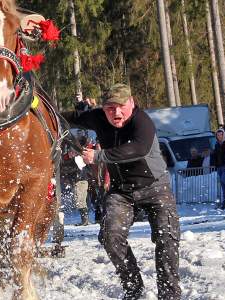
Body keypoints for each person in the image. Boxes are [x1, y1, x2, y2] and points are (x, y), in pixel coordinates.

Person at [64, 83, 181, 299]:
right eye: (110, 108)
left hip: (155, 187)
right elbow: (67, 117)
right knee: (110, 236)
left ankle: (169, 294)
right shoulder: (97, 117)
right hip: (122, 192)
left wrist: (98, 156)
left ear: (132, 103)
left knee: (167, 238)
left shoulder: (141, 121)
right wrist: (34, 103)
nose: (116, 113)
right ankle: (133, 287)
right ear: (103, 108)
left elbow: (139, 148)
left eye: (121, 107)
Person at [213, 128, 225, 204]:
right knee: (223, 183)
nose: (219, 136)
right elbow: (215, 155)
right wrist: (215, 164)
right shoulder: (216, 144)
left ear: (223, 135)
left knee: (224, 181)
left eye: (220, 135)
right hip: (219, 166)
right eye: (217, 135)